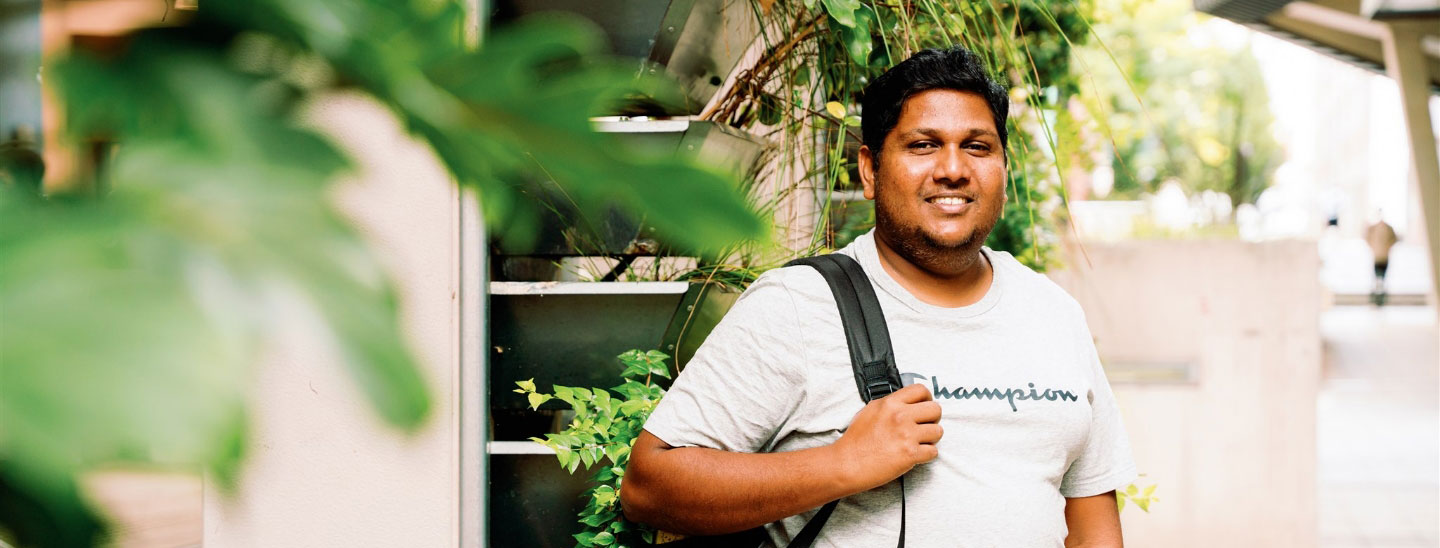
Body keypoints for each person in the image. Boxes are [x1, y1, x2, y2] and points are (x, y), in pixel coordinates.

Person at [621, 46, 1135, 547]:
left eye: (977, 146)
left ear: (1004, 169)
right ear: (869, 170)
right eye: (922, 145)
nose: (953, 168)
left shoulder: (1053, 313)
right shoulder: (798, 304)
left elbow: (1092, 523)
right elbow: (650, 486)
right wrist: (842, 463)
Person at [1365, 216, 1398, 306]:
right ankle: (1377, 299)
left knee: (1382, 279)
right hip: (1378, 256)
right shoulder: (1373, 228)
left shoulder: (1388, 228)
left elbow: (1394, 239)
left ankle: (1380, 299)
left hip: (1383, 256)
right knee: (1377, 279)